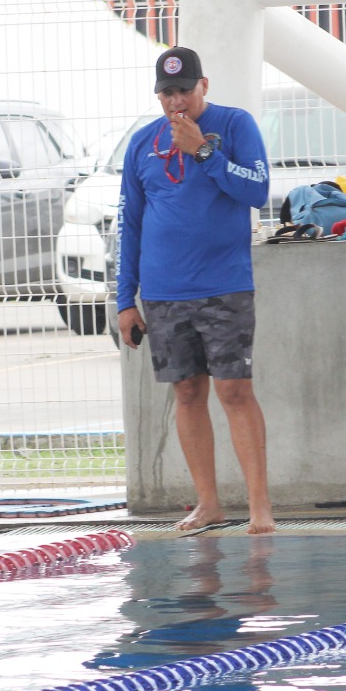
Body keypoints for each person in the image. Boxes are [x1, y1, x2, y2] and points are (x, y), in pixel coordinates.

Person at [116, 46, 275, 535]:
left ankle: (259, 507)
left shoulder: (234, 125)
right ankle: (207, 504)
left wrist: (204, 150)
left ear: (203, 86)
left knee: (234, 390)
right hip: (164, 291)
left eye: (184, 89)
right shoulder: (142, 144)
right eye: (167, 92)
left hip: (224, 285)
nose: (176, 101)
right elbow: (131, 224)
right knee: (186, 392)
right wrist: (125, 299)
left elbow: (257, 191)